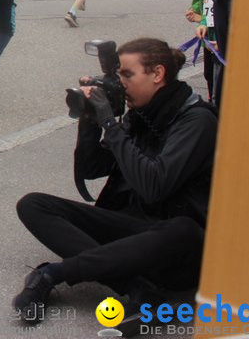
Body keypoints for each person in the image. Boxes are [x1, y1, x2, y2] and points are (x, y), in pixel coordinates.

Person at [13, 39, 217, 330]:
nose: (121, 84)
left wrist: (111, 124)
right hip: (131, 228)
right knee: (33, 205)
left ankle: (53, 274)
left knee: (181, 230)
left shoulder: (197, 121)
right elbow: (93, 167)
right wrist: (90, 119)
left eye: (127, 75)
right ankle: (137, 289)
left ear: (157, 74)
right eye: (119, 76)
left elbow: (154, 186)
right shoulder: (141, 113)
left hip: (174, 244)